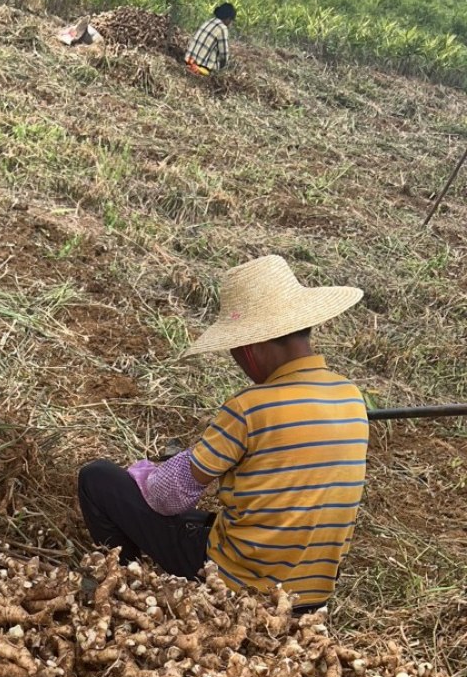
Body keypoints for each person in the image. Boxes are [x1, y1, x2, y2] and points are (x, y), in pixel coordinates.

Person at [78, 254, 368, 613]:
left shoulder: (250, 407)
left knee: (98, 478)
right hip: (310, 597)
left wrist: (156, 470)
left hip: (238, 583)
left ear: (251, 348)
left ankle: (126, 578)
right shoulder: (351, 397)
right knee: (207, 521)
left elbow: (165, 498)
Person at [185, 3, 236, 78]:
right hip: (199, 67)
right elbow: (224, 55)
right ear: (228, 18)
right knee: (226, 64)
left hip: (188, 60)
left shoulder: (209, 21)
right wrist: (222, 68)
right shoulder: (222, 28)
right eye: (231, 20)